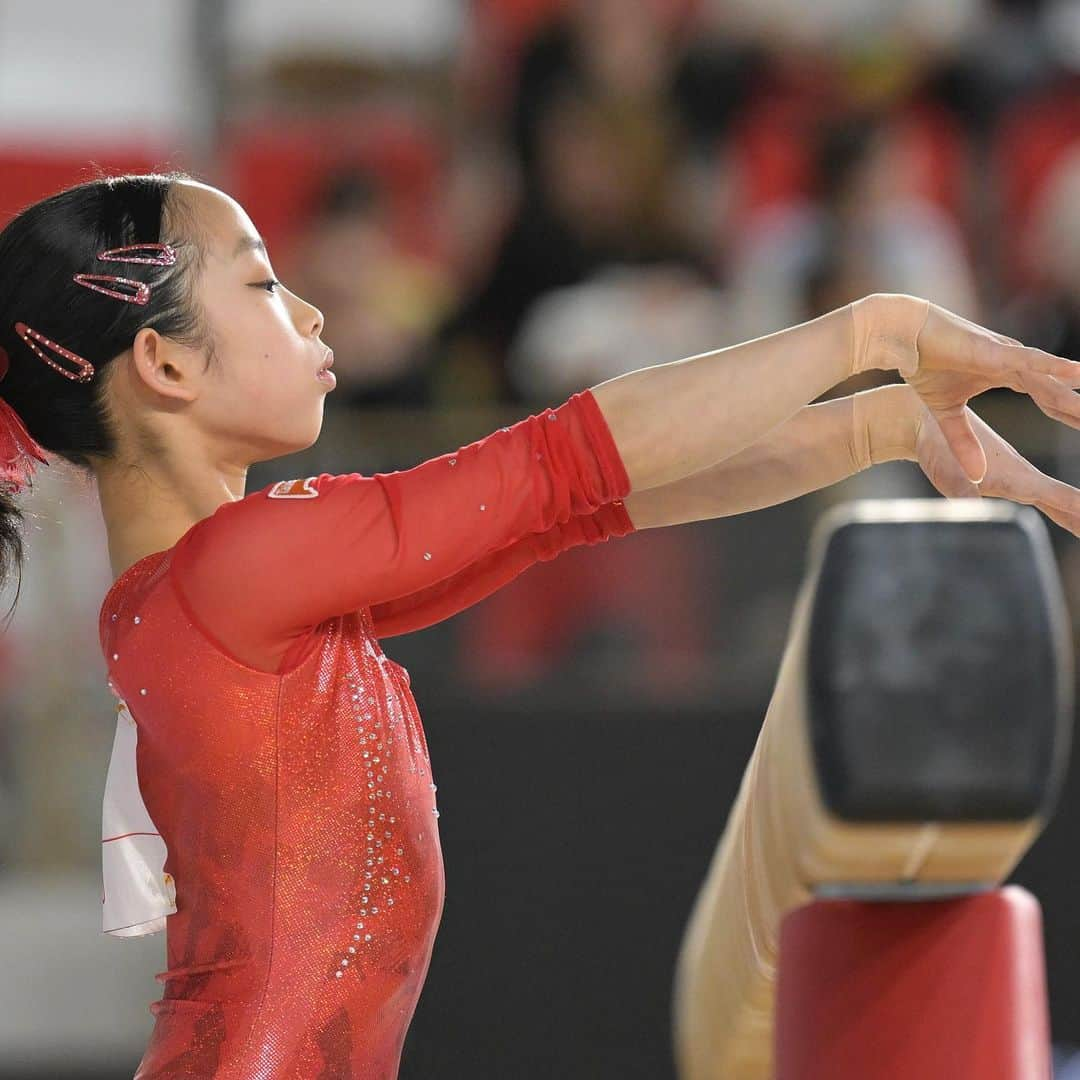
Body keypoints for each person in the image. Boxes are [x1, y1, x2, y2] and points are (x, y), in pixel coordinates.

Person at [0, 172, 1076, 1077]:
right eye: (264, 281)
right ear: (168, 363)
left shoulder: (219, 588)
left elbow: (591, 502)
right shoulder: (237, 566)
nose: (313, 312)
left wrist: (874, 425)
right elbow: (562, 462)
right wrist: (873, 330)